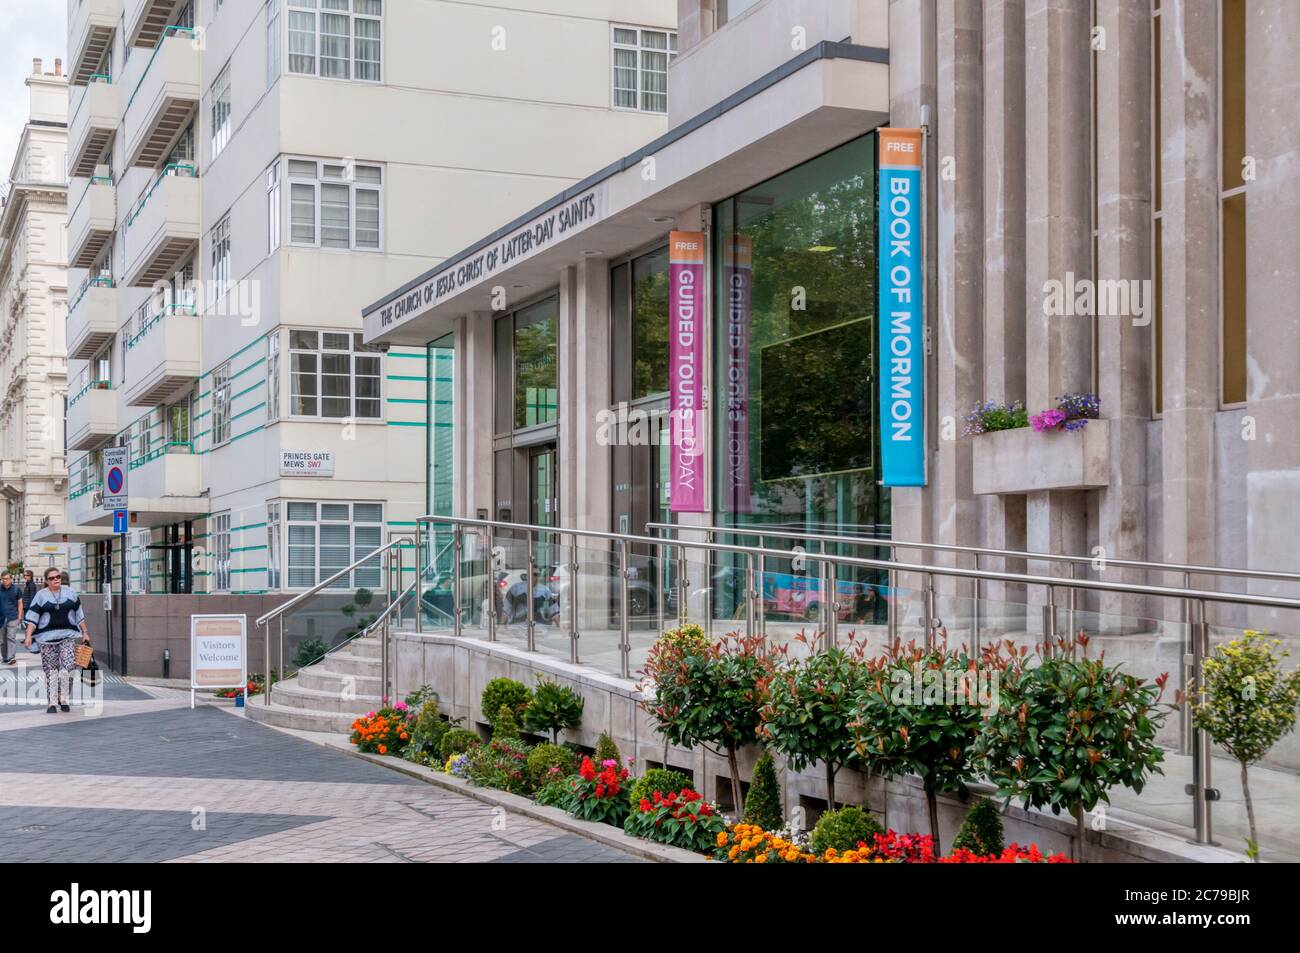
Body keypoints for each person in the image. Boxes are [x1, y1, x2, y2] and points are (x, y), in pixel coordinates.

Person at [23, 567, 90, 714]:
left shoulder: (70, 593)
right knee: (51, 671)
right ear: (46, 581)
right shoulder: (40, 595)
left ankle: (63, 697)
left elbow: (79, 614)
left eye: (58, 577)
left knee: (69, 666)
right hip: (46, 640)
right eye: (52, 578)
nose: (56, 580)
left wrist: (85, 632)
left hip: (67, 637)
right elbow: (33, 618)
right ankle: (52, 702)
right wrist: (28, 635)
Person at [0, 571, 20, 665]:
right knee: (2, 640)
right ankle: (5, 657)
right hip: (1, 618)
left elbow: (20, 603)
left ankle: (11, 657)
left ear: (11, 579)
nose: (5, 581)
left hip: (13, 617)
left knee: (11, 637)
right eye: (3, 579)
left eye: (7, 579)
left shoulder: (16, 589)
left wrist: (20, 617)